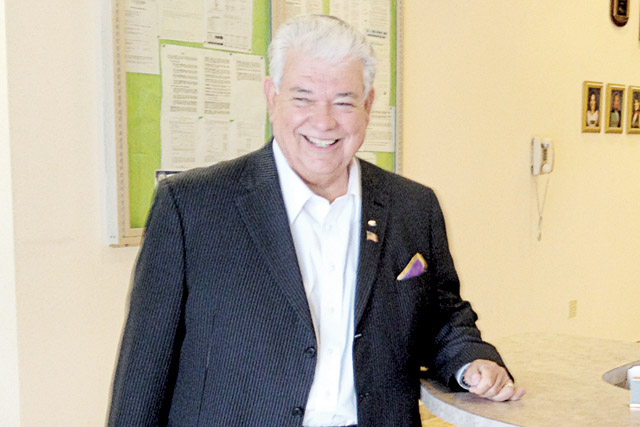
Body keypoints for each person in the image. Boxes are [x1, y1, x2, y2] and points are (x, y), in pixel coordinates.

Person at [108, 14, 524, 427]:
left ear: (368, 105)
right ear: (272, 97)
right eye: (303, 98)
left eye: (344, 101)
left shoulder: (413, 206)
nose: (324, 122)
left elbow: (441, 317)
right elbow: (145, 367)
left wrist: (472, 362)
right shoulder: (192, 205)